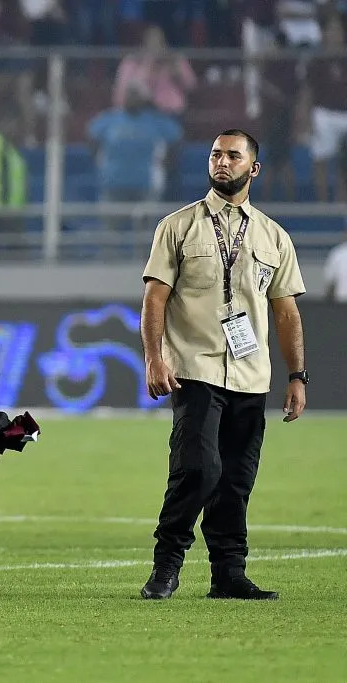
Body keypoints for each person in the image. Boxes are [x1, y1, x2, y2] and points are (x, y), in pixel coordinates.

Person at [139, 129, 307, 601]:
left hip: (251, 374)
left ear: (254, 168)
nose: (222, 162)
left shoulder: (274, 236)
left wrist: (297, 376)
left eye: (234, 156)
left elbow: (287, 312)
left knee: (236, 480)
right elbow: (155, 298)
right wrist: (155, 356)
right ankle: (166, 567)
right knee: (196, 469)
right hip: (193, 367)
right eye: (216, 154)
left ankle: (228, 575)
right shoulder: (178, 226)